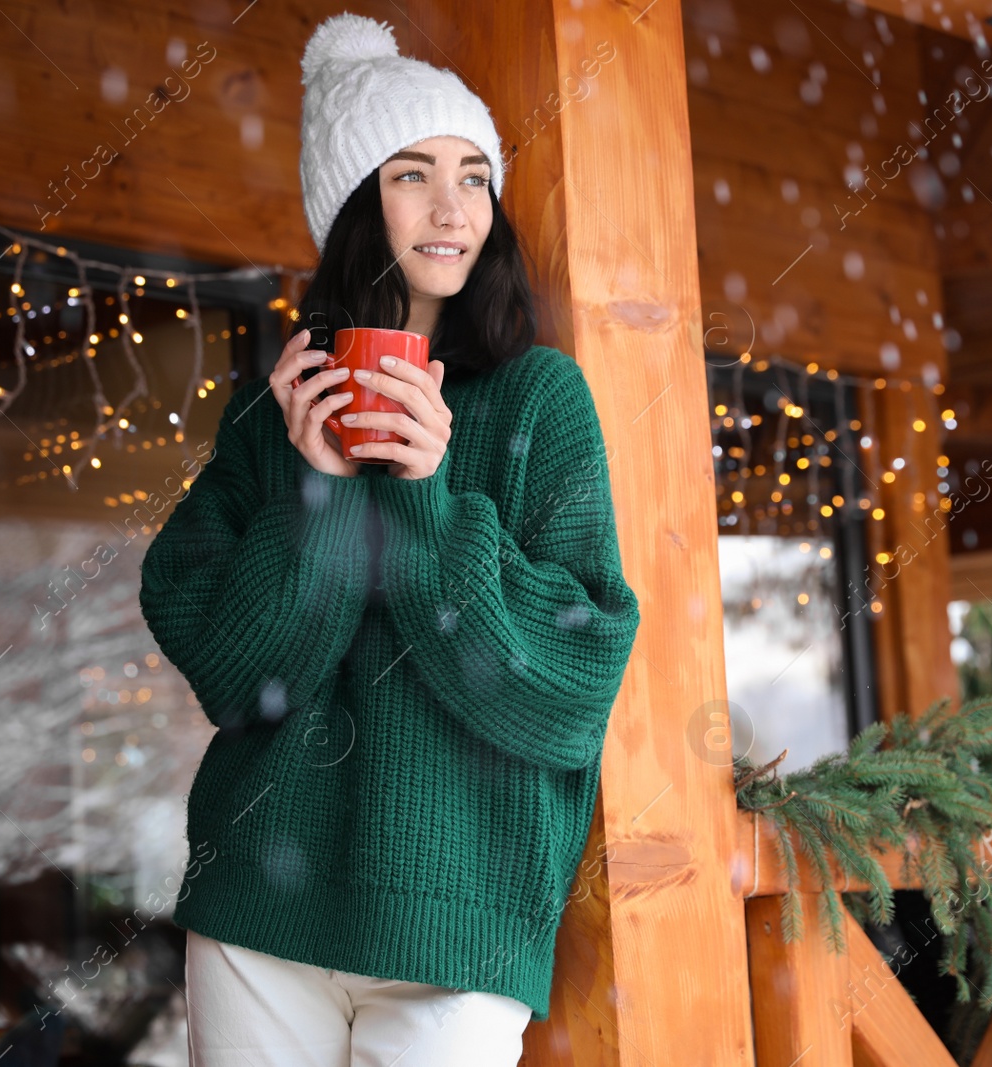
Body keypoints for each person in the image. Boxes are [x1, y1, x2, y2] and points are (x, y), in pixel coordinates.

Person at [137, 13, 641, 1066]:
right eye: (412, 174)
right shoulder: (276, 409)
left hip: (455, 925)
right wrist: (312, 485)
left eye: (472, 175)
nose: (451, 206)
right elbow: (244, 682)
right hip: (258, 918)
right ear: (355, 203)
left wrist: (428, 497)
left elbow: (565, 689)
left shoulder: (539, 399)